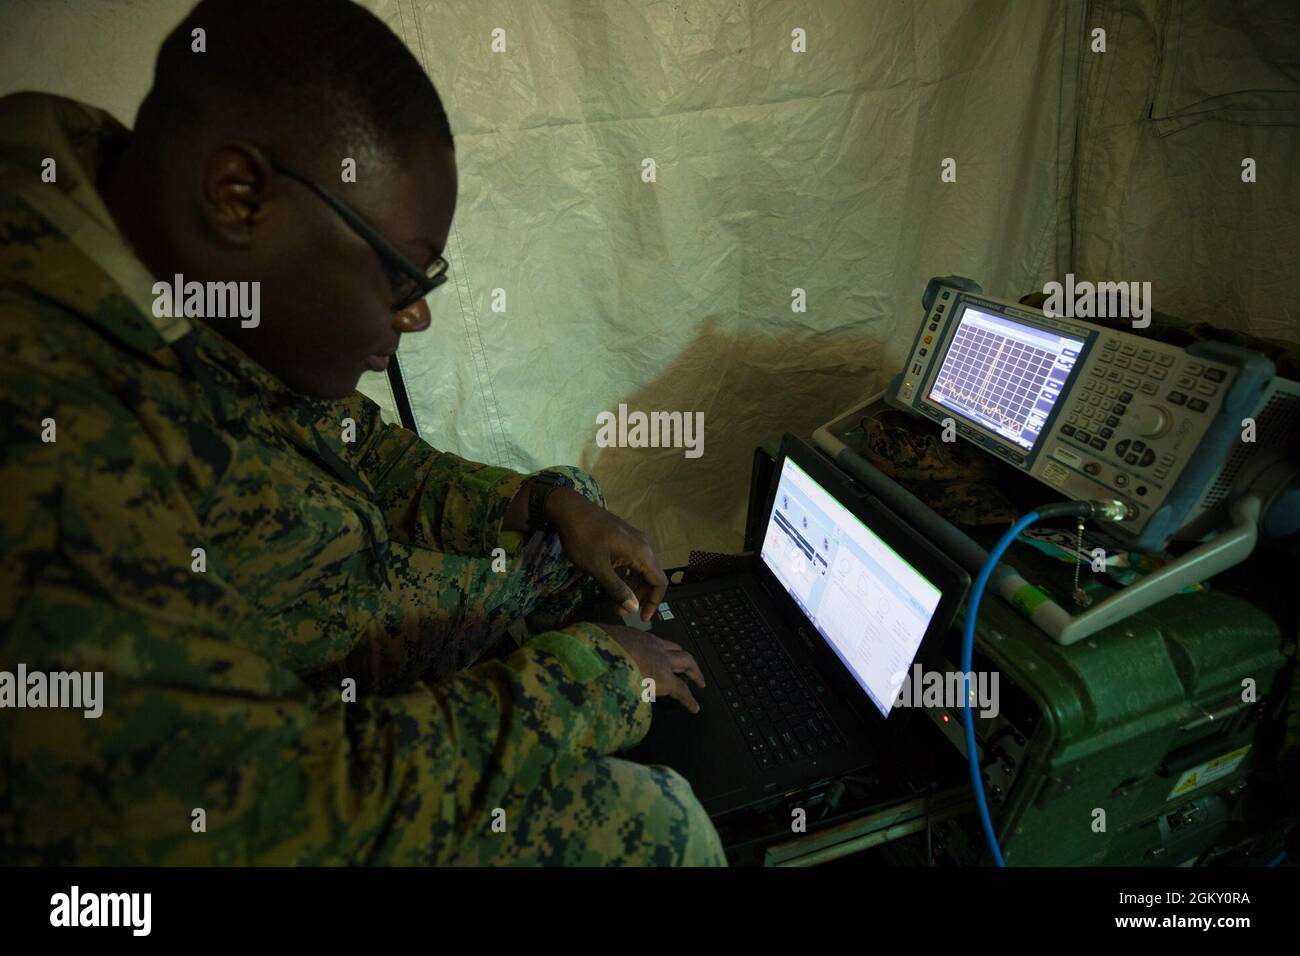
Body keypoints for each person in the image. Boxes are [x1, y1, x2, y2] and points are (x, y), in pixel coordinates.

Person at [0, 0, 724, 866]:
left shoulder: (160, 258)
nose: (414, 314)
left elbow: (364, 449)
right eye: (399, 273)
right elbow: (272, 813)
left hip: (332, 620)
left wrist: (543, 502)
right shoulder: (48, 422)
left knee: (572, 519)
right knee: (659, 829)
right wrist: (584, 680)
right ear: (239, 196)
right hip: (270, 791)